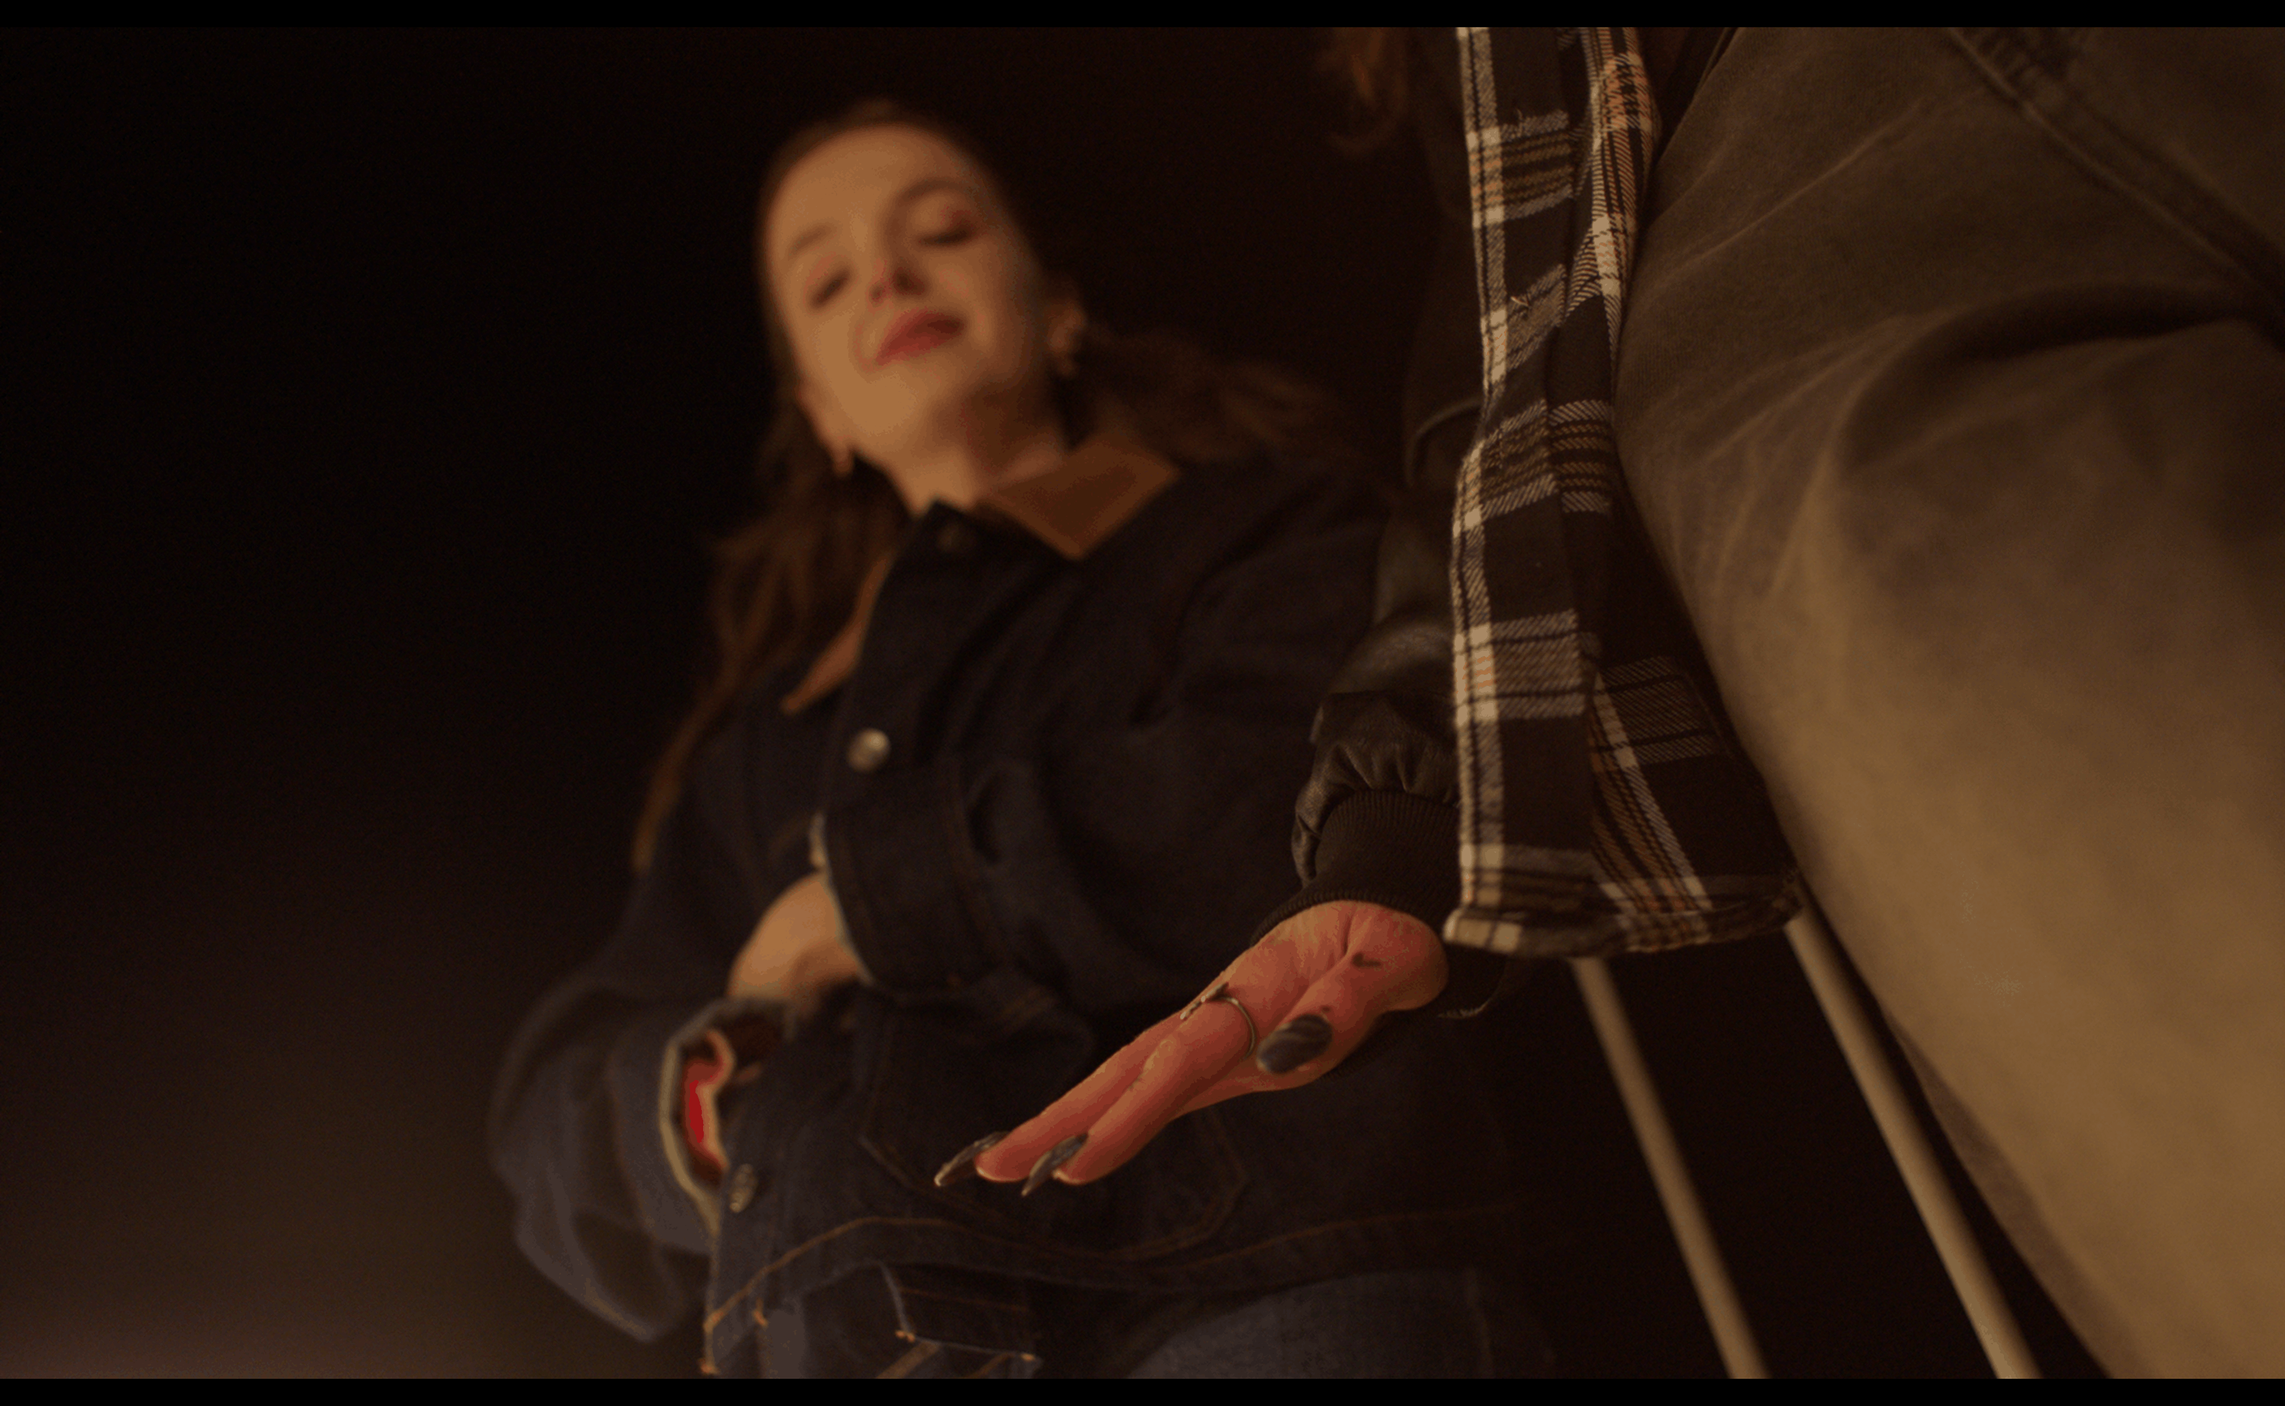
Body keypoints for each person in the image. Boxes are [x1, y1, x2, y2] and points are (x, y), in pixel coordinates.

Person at [984, 30, 2285, 1375]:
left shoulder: (1223, 523)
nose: (892, 284)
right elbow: (1494, 372)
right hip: (1796, 233)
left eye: (940, 228)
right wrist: (1397, 817)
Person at [488, 101, 1545, 1378]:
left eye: (939, 230)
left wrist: (871, 902)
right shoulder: (767, 743)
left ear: (1058, 310)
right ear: (822, 412)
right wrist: (714, 1088)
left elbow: (1297, 791)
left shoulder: (1255, 526)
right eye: (827, 282)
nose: (886, 277)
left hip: (1253, 1286)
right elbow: (555, 1092)